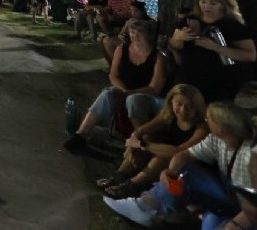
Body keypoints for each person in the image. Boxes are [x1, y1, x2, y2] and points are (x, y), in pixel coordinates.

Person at [104, 102, 257, 230]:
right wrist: (170, 172)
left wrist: (234, 224)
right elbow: (183, 155)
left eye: (209, 119)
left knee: (213, 225)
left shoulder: (250, 155)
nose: (206, 121)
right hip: (229, 196)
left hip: (247, 209)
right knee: (184, 170)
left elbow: (253, 207)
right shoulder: (216, 140)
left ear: (222, 126)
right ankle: (145, 207)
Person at [63, 19, 167, 153]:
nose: (135, 36)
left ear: (148, 35)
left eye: (139, 33)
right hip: (125, 90)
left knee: (133, 100)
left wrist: (129, 93)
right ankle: (80, 135)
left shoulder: (158, 57)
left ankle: (140, 143)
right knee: (108, 93)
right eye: (132, 32)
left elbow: (154, 88)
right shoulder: (121, 50)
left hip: (147, 96)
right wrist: (123, 90)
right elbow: (113, 75)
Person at [96, 84, 208, 199]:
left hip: (182, 164)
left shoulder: (201, 129)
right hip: (164, 152)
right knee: (146, 138)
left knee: (159, 157)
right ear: (171, 102)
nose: (183, 110)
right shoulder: (168, 115)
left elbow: (178, 152)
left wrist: (143, 145)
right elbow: (140, 131)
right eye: (179, 104)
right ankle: (120, 176)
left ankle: (134, 185)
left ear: (197, 108)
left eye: (189, 106)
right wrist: (132, 145)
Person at [168, 0, 255, 102]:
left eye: (213, 4)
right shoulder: (190, 20)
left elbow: (250, 55)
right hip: (190, 78)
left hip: (221, 82)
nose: (206, 7)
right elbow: (175, 46)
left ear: (223, 6)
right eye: (203, 2)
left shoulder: (233, 26)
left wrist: (216, 47)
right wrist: (178, 38)